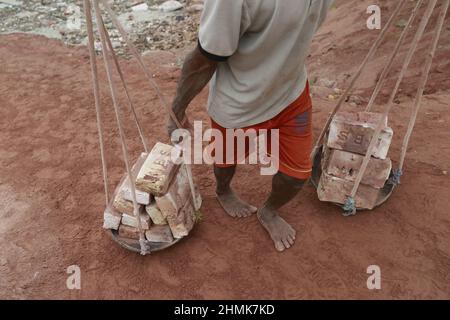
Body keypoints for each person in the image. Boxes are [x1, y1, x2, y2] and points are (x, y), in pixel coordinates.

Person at [168, 0, 334, 252]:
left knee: (296, 175)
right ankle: (223, 191)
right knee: (225, 160)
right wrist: (176, 110)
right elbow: (204, 59)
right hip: (239, 102)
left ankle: (269, 210)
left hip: (291, 94)